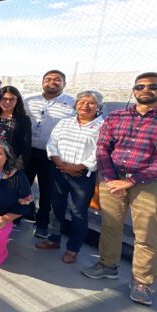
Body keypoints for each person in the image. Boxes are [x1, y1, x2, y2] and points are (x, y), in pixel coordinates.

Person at [82, 72, 157, 306]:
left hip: (150, 184)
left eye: (153, 86)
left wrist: (131, 181)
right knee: (110, 226)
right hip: (113, 178)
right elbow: (103, 148)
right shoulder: (117, 116)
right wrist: (110, 179)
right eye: (140, 86)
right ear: (133, 90)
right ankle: (107, 265)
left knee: (146, 234)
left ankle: (142, 282)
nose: (145, 90)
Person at [36, 91, 104, 264]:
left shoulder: (103, 126)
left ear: (98, 107)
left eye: (91, 103)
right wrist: (60, 164)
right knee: (56, 206)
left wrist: (77, 167)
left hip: (82, 175)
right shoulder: (64, 122)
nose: (85, 106)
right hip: (59, 170)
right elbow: (52, 144)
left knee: (78, 212)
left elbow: (100, 152)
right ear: (75, 105)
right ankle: (53, 239)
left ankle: (73, 249)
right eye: (81, 102)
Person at [24, 70, 76, 239]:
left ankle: (42, 224)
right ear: (42, 82)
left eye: (57, 80)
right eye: (48, 79)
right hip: (28, 151)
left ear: (64, 84)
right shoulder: (29, 100)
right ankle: (15, 217)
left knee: (47, 191)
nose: (52, 82)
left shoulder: (72, 103)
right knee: (21, 185)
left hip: (52, 155)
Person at [0, 86, 31, 170]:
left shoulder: (23, 119)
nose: (7, 102)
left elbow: (26, 145)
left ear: (17, 101)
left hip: (10, 162)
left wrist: (18, 166)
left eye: (12, 99)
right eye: (4, 98)